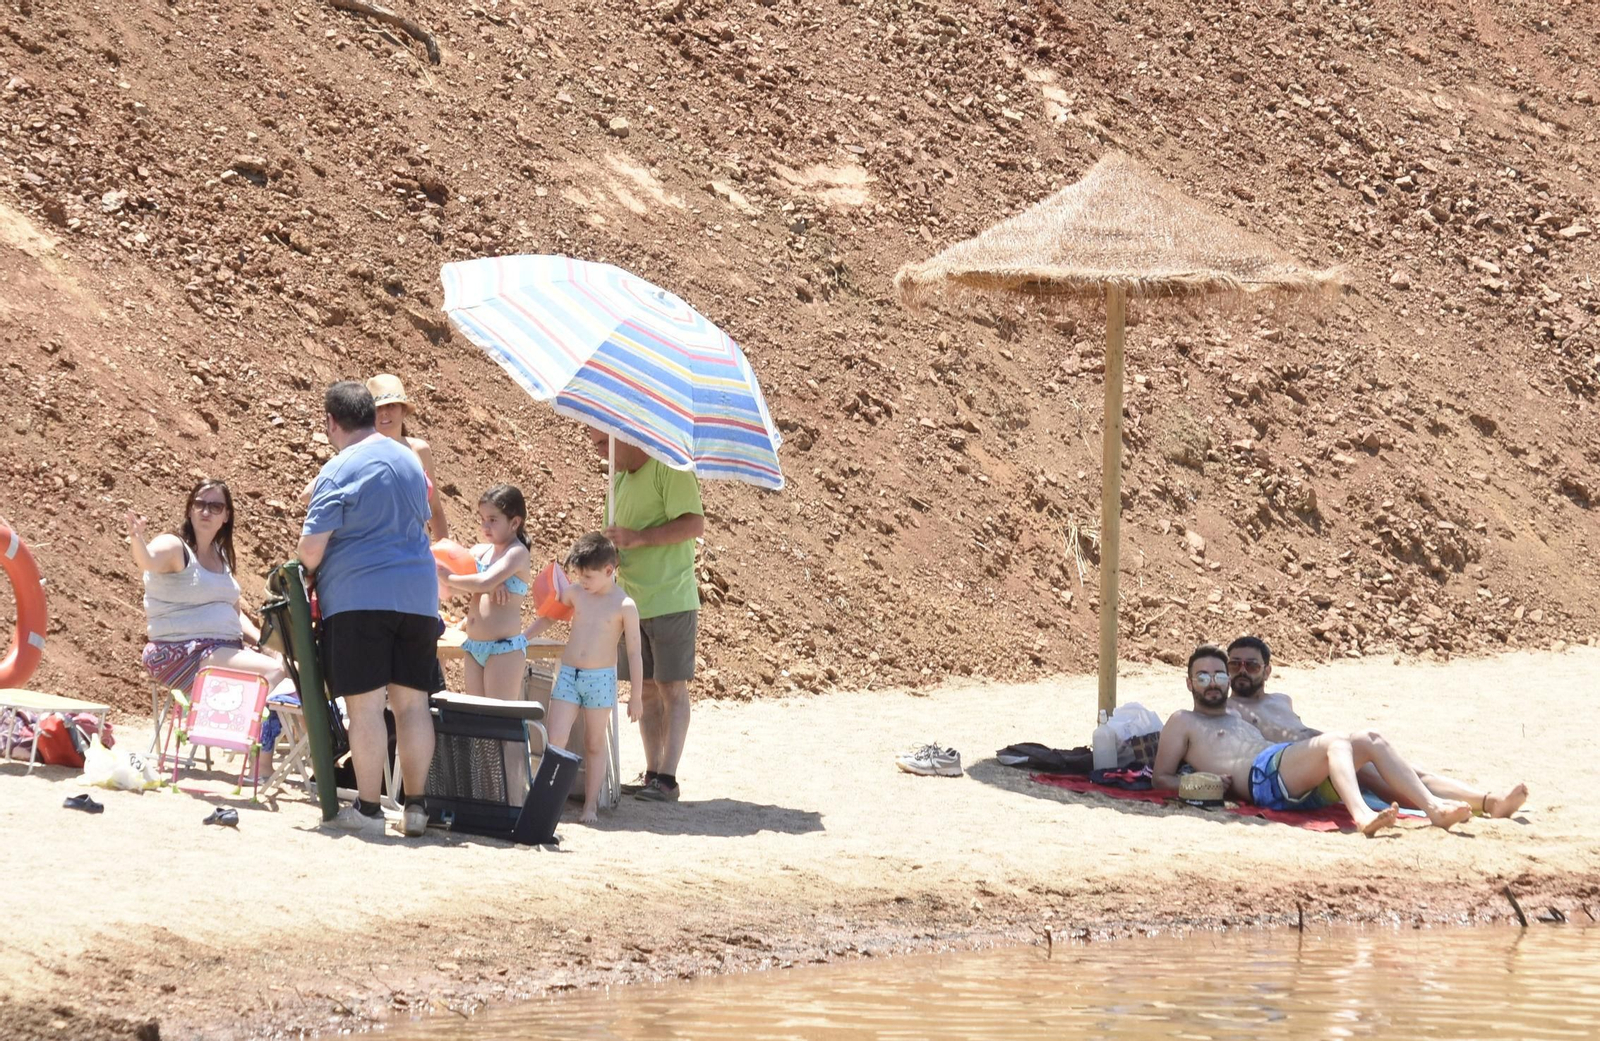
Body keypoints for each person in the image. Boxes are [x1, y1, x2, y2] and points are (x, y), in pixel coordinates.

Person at [297, 381, 440, 838]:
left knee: (366, 710)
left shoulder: (337, 470)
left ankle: (370, 810)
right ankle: (415, 807)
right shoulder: (410, 461)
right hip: (418, 597)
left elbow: (310, 552)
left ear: (330, 424)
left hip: (360, 600)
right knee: (413, 706)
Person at [1152, 644, 1475, 836]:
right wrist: (1198, 782)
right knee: (1335, 741)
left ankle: (1433, 808)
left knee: (1369, 738)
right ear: (1189, 683)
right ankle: (1362, 815)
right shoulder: (1184, 721)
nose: (1213, 683)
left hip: (1285, 768)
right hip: (1263, 780)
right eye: (1203, 676)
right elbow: (1160, 778)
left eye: (1220, 675)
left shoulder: (1236, 713)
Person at [1224, 635, 1528, 819]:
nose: (1242, 671)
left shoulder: (1282, 699)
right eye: (1234, 664)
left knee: (1409, 769)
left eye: (1251, 665)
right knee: (1376, 768)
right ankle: (1436, 806)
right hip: (1300, 769)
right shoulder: (1229, 709)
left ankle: (1490, 801)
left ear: (1267, 670)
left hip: (1329, 752)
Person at [129, 479, 286, 779]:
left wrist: (265, 645)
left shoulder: (221, 556)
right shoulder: (175, 546)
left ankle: (322, 756)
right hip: (181, 652)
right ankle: (260, 763)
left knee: (286, 666)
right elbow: (147, 561)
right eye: (200, 504)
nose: (206, 511)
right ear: (189, 509)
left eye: (215, 506)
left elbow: (233, 611)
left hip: (221, 649)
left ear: (226, 515)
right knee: (273, 674)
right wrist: (137, 539)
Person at [587, 427, 703, 803]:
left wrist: (639, 538)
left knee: (672, 687)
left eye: (603, 442)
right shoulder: (617, 480)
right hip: (632, 603)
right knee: (647, 689)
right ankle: (654, 773)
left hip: (671, 598)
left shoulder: (670, 468)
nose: (598, 450)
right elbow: (616, 542)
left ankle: (668, 779)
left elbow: (693, 525)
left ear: (626, 437)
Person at [526, 532, 643, 823]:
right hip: (568, 674)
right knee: (555, 737)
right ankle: (547, 797)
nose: (582, 582)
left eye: (588, 576)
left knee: (594, 742)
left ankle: (590, 804)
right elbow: (551, 615)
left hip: (601, 680)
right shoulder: (576, 592)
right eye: (579, 575)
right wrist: (524, 636)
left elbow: (634, 654)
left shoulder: (625, 605)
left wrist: (636, 696)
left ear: (608, 570)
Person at [297, 373, 449, 541]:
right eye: (378, 408)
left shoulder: (420, 450)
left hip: (419, 555)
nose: (384, 413)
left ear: (403, 410)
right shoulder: (357, 454)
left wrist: (445, 551)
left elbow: (435, 509)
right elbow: (308, 495)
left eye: (391, 406)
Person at [438, 485, 533, 699]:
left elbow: (482, 581)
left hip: (503, 649)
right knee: (476, 720)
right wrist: (450, 578)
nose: (485, 525)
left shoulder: (517, 553)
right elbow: (450, 590)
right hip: (474, 647)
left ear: (514, 523)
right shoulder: (481, 552)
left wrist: (450, 577)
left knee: (497, 720)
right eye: (482, 519)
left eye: (493, 519)